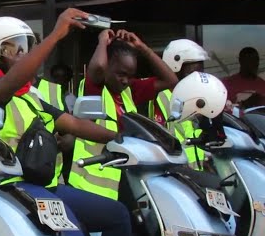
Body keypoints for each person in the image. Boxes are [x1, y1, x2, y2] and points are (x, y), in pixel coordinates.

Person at [0, 9, 132, 236]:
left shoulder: (29, 96)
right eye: (20, 49)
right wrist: (56, 34)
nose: (27, 55)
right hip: (9, 190)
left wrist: (123, 137)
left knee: (118, 216)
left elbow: (74, 123)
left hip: (44, 187)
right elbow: (10, 83)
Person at [68, 29, 178, 201]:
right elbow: (97, 67)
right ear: (107, 65)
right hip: (90, 185)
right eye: (121, 74)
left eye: (130, 76)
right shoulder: (93, 89)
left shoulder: (130, 91)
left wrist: (143, 48)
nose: (125, 80)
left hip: (124, 185)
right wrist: (102, 42)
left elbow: (170, 80)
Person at [149, 38, 210, 170]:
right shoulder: (162, 97)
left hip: (197, 170)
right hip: (177, 170)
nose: (197, 77)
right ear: (174, 66)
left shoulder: (195, 97)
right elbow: (161, 137)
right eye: (192, 71)